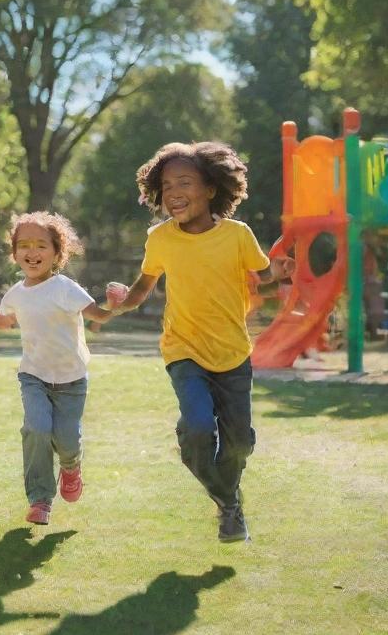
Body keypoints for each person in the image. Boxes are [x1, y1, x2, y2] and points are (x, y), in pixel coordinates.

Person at [98, 141, 293, 543]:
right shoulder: (161, 238)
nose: (173, 192)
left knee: (239, 442)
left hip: (233, 353)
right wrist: (120, 303)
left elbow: (262, 275)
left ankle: (226, 497)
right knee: (201, 428)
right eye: (167, 185)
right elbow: (142, 288)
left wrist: (280, 271)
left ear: (210, 189)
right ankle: (227, 501)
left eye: (184, 182)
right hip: (183, 349)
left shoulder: (238, 235)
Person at [0, 212, 113, 526]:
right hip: (33, 376)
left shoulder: (65, 288)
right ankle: (40, 500)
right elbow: (6, 319)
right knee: (36, 430)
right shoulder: (15, 294)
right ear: (14, 253)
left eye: (41, 245)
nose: (32, 252)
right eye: (24, 246)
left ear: (57, 253)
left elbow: (99, 316)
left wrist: (113, 302)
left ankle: (71, 467)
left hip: (72, 379)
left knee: (66, 440)